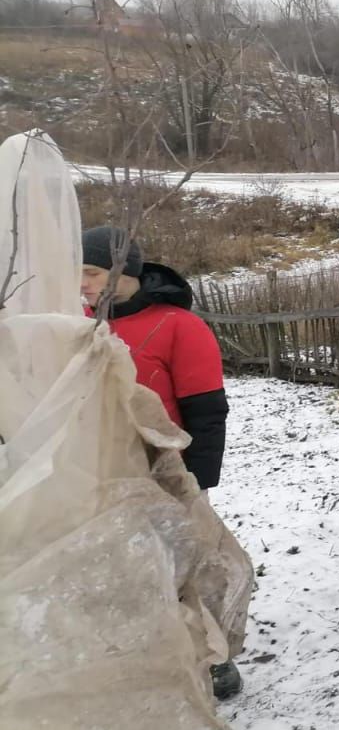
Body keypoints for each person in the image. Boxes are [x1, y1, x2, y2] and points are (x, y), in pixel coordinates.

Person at [79, 224, 241, 700]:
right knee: (129, 570)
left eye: (91, 272)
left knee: (188, 567)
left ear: (123, 271)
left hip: (170, 472)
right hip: (103, 471)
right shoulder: (80, 324)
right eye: (77, 274)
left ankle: (214, 658)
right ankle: (153, 653)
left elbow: (207, 409)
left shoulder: (178, 326)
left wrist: (198, 480)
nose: (82, 284)